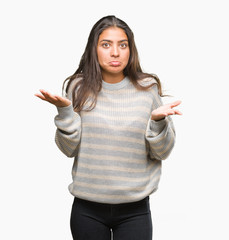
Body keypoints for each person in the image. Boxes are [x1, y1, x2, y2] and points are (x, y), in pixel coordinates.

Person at [35, 15, 181, 240]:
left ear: (130, 49)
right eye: (106, 44)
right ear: (94, 49)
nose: (115, 52)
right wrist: (65, 112)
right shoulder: (78, 87)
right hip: (87, 210)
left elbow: (162, 152)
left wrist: (158, 122)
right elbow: (68, 149)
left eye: (123, 45)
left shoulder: (148, 88)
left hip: (135, 210)